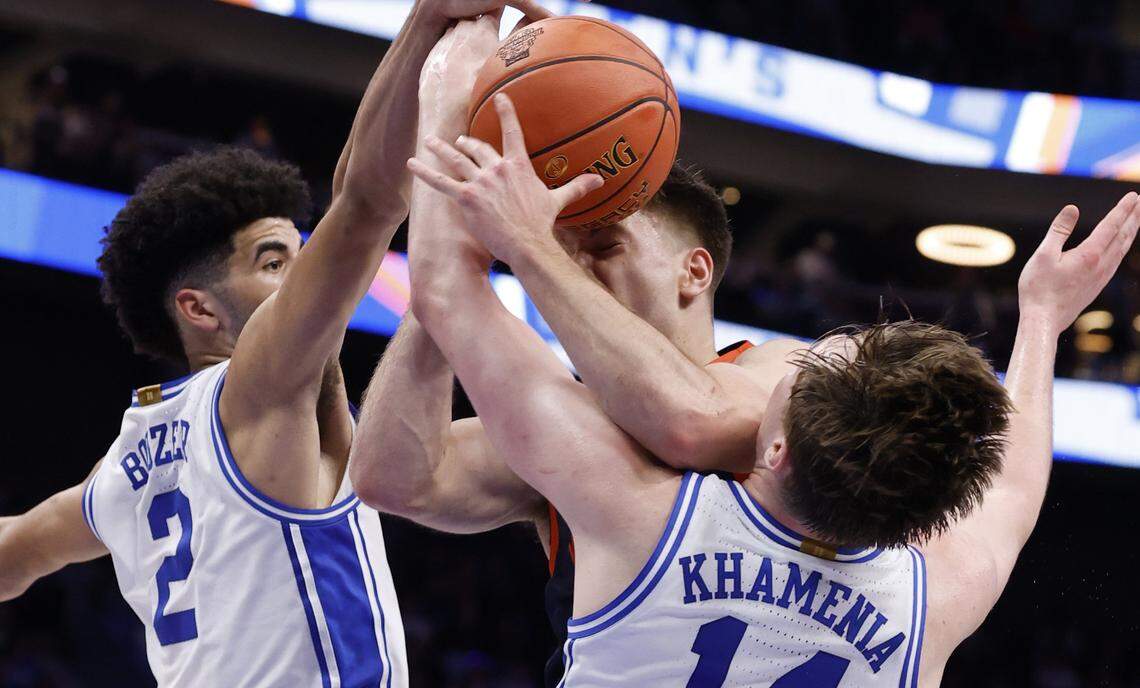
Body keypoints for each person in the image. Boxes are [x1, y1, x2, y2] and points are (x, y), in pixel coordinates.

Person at [403, 92, 1140, 684]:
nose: (785, 362)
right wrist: (1043, 320)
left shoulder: (643, 510)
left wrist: (463, 70)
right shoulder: (935, 602)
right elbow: (1013, 481)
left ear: (776, 447)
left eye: (803, 370)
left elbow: (440, 288)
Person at [0, 2, 551, 685]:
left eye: (300, 255)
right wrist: (430, 25)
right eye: (273, 263)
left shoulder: (122, 468)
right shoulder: (260, 385)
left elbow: (14, 554)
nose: (303, 278)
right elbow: (367, 201)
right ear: (199, 309)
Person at [348, 15, 800, 686]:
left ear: (695, 271)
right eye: (561, 249)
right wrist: (454, 279)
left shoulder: (783, 373)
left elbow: (692, 419)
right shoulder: (571, 419)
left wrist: (475, 265)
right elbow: (394, 478)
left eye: (604, 245)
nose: (567, 268)